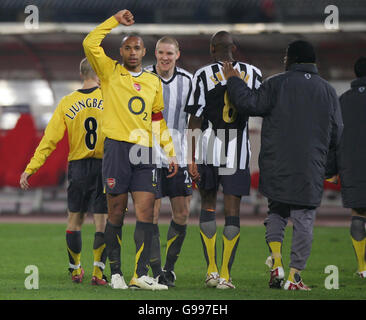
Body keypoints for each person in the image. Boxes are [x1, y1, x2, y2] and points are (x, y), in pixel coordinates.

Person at [223, 40, 343, 290]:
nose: (283, 59)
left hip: (275, 164)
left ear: (293, 58)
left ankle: (276, 263)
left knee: (276, 212)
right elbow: (337, 134)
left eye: (286, 55)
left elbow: (250, 104)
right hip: (309, 166)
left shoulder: (276, 83)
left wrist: (234, 80)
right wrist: (330, 168)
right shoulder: (328, 91)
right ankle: (294, 277)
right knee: (303, 219)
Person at [83, 9, 178, 290]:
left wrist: (170, 150)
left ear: (144, 51)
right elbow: (89, 42)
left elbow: (158, 120)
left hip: (145, 151)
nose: (133, 52)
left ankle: (139, 275)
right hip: (116, 149)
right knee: (116, 212)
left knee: (147, 212)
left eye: (137, 47)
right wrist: (114, 21)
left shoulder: (153, 82)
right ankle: (116, 273)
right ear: (121, 51)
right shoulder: (109, 72)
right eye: (127, 47)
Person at [20, 58, 109, 286]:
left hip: (78, 167)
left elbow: (49, 140)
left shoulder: (67, 102)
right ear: (99, 73)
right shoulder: (110, 98)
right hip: (104, 165)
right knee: (102, 223)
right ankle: (98, 274)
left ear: (81, 74)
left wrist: (30, 169)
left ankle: (76, 269)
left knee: (74, 221)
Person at [186, 31, 262, 289]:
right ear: (235, 48)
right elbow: (258, 108)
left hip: (208, 149)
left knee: (207, 205)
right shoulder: (253, 73)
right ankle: (226, 277)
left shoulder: (202, 75)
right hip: (238, 151)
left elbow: (194, 119)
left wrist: (191, 157)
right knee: (232, 213)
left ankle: (211, 271)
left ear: (211, 49)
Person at [145, 36, 193, 287]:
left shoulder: (188, 81)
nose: (165, 57)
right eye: (161, 52)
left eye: (170, 53)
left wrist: (195, 156)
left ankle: (169, 268)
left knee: (182, 213)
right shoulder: (142, 77)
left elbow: (196, 119)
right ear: (155, 53)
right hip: (148, 157)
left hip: (179, 157)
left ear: (178, 55)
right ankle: (155, 270)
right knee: (150, 214)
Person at [337, 57, 366, 278]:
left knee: (358, 215)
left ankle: (362, 268)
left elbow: (333, 138)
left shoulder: (342, 101)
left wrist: (331, 169)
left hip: (352, 167)